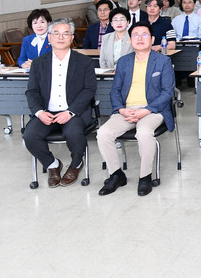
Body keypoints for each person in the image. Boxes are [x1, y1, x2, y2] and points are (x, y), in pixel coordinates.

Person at [97, 22, 176, 196]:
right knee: (103, 133)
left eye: (144, 34)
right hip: (127, 110)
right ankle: (116, 174)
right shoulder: (123, 62)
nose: (140, 38)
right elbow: (115, 91)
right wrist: (121, 109)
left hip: (153, 110)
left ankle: (145, 177)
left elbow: (167, 92)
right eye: (135, 35)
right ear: (130, 40)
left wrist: (146, 110)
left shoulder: (163, 61)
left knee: (144, 133)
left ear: (152, 39)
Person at [23, 18, 96, 187]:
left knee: (74, 134)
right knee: (30, 135)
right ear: (49, 38)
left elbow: (89, 90)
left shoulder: (84, 62)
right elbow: (32, 91)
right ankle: (52, 165)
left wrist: (70, 112)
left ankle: (76, 164)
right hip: (46, 112)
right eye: (56, 33)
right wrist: (39, 112)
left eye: (65, 34)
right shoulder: (38, 63)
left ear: (72, 38)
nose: (60, 37)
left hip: (73, 113)